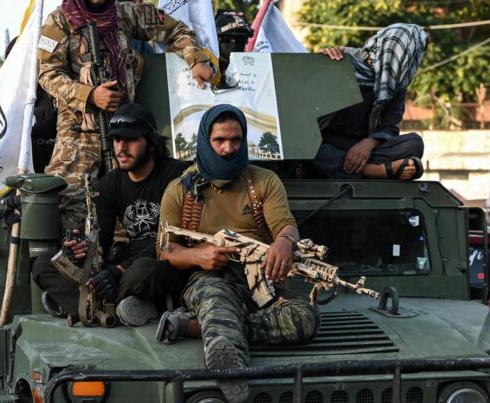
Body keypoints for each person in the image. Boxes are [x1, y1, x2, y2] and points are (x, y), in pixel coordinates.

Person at [156, 104, 319, 403]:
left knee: (306, 318)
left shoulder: (263, 182)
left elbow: (285, 225)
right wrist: (199, 257)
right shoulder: (181, 189)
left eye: (235, 140)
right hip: (210, 279)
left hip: (262, 280)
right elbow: (166, 250)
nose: (228, 148)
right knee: (217, 302)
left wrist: (285, 242)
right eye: (219, 140)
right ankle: (233, 374)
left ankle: (198, 327)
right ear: (205, 140)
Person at [38, 0, 216, 232]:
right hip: (79, 129)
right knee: (70, 198)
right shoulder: (59, 20)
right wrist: (89, 94)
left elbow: (176, 29)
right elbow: (48, 74)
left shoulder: (126, 12)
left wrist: (196, 59)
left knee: (128, 201)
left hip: (123, 127)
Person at [32, 103, 190, 325]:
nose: (121, 148)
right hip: (125, 263)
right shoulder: (110, 183)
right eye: (116, 139)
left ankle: (85, 305)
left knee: (142, 272)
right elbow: (102, 242)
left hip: (162, 260)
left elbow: (173, 240)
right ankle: (117, 308)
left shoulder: (176, 175)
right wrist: (82, 249)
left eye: (130, 139)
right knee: (43, 265)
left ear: (151, 143)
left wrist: (119, 271)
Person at [308, 23, 428, 180]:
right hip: (325, 144)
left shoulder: (396, 84)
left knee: (414, 143)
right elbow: (304, 117)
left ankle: (348, 169)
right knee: (303, 147)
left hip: (363, 150)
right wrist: (317, 62)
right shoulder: (340, 60)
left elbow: (390, 127)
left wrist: (369, 143)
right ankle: (372, 171)